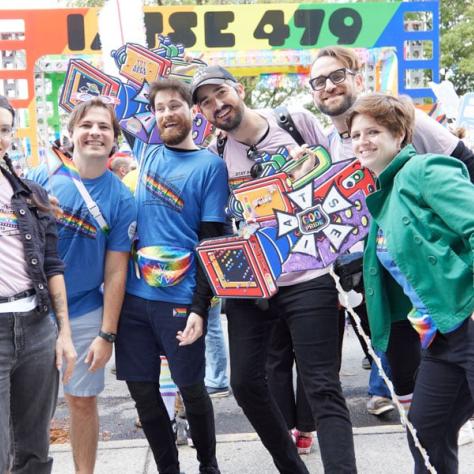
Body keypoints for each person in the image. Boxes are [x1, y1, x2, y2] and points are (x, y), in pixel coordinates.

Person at [192, 65, 357, 474]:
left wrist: (309, 174)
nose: (217, 106)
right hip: (253, 283)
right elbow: (220, 225)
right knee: (245, 383)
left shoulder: (294, 122)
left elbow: (336, 179)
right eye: (206, 103)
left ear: (239, 88)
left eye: (220, 94)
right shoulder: (216, 153)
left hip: (309, 278)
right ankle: (291, 467)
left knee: (322, 387)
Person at [310, 45, 474, 417]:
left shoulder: (404, 124)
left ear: (356, 77)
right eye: (318, 81)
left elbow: (465, 167)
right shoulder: (327, 144)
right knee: (422, 417)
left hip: (446, 287)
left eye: (336, 76)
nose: (329, 86)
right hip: (392, 285)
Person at [346, 92, 474, 474]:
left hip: (467, 319)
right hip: (441, 335)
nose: (362, 141)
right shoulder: (382, 194)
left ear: (399, 135)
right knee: (425, 434)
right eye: (355, 134)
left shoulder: (425, 170)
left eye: (374, 131)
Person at [115, 79, 228, 474]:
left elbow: (212, 242)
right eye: (160, 107)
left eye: (175, 105)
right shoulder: (144, 151)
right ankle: (168, 468)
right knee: (143, 393)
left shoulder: (211, 167)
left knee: (193, 389)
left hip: (180, 301)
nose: (166, 113)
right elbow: (120, 99)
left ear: (193, 111)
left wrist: (201, 307)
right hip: (133, 299)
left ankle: (208, 465)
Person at [29, 98, 137, 474]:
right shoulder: (41, 178)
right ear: (72, 133)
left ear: (113, 140)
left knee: (81, 401)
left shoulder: (122, 198)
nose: (95, 132)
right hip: (33, 313)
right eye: (87, 125)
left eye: (104, 127)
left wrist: (107, 335)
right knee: (24, 406)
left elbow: (115, 272)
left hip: (86, 312)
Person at [0, 95, 76, 473]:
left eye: (4, 130)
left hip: (35, 326)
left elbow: (51, 264)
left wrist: (63, 333)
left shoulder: (31, 194)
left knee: (34, 451)